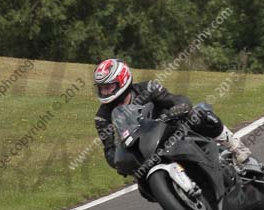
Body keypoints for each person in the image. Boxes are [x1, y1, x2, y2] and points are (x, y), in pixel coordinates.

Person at [93, 58, 251, 171]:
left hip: (172, 128)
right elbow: (110, 149)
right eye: (102, 88)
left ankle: (236, 148)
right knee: (144, 188)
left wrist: (177, 109)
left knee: (199, 114)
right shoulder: (102, 117)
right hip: (145, 150)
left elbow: (176, 100)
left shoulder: (148, 88)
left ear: (123, 80)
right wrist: (120, 163)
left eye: (109, 87)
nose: (105, 91)